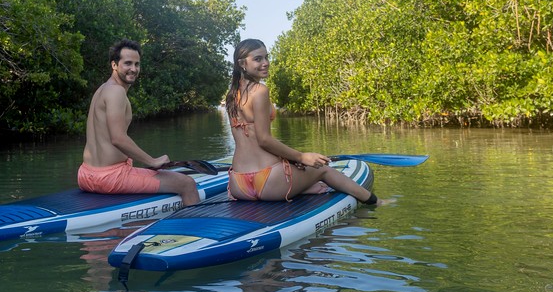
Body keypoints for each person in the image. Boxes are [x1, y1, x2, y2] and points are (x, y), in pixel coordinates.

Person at [225, 38, 386, 206]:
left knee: (298, 167)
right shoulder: (260, 91)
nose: (265, 63)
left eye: (266, 57)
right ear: (242, 63)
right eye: (258, 59)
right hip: (267, 181)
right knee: (322, 169)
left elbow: (250, 140)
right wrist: (301, 157)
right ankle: (376, 202)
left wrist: (293, 160)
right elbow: (264, 140)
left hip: (238, 184)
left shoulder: (231, 95)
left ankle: (303, 187)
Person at [78, 39, 200, 206]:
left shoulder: (103, 89)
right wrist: (152, 161)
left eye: (137, 64)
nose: (133, 69)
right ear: (114, 65)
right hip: (111, 177)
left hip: (85, 175)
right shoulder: (116, 92)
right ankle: (190, 232)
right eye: (128, 63)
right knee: (187, 184)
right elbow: (117, 138)